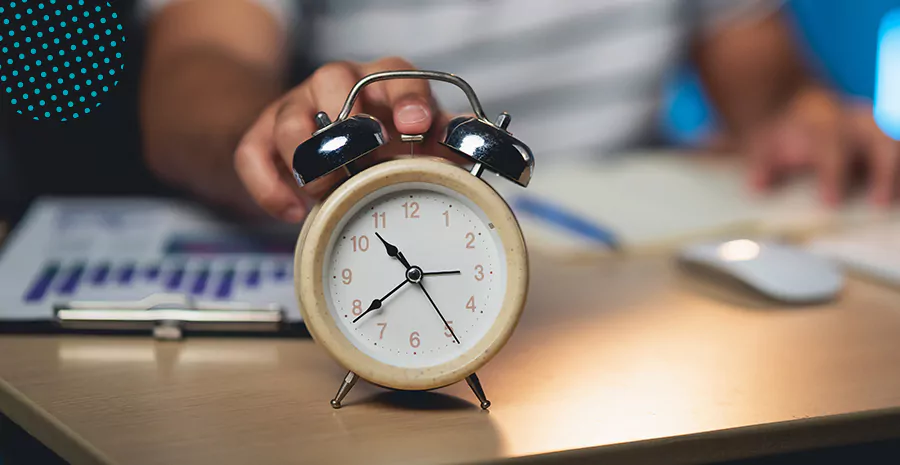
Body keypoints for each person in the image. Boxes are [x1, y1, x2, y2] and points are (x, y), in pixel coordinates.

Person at [138, 0, 899, 224]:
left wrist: (804, 117)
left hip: (636, 269)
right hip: (379, 222)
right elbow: (196, 69)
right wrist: (275, 131)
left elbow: (764, 90)